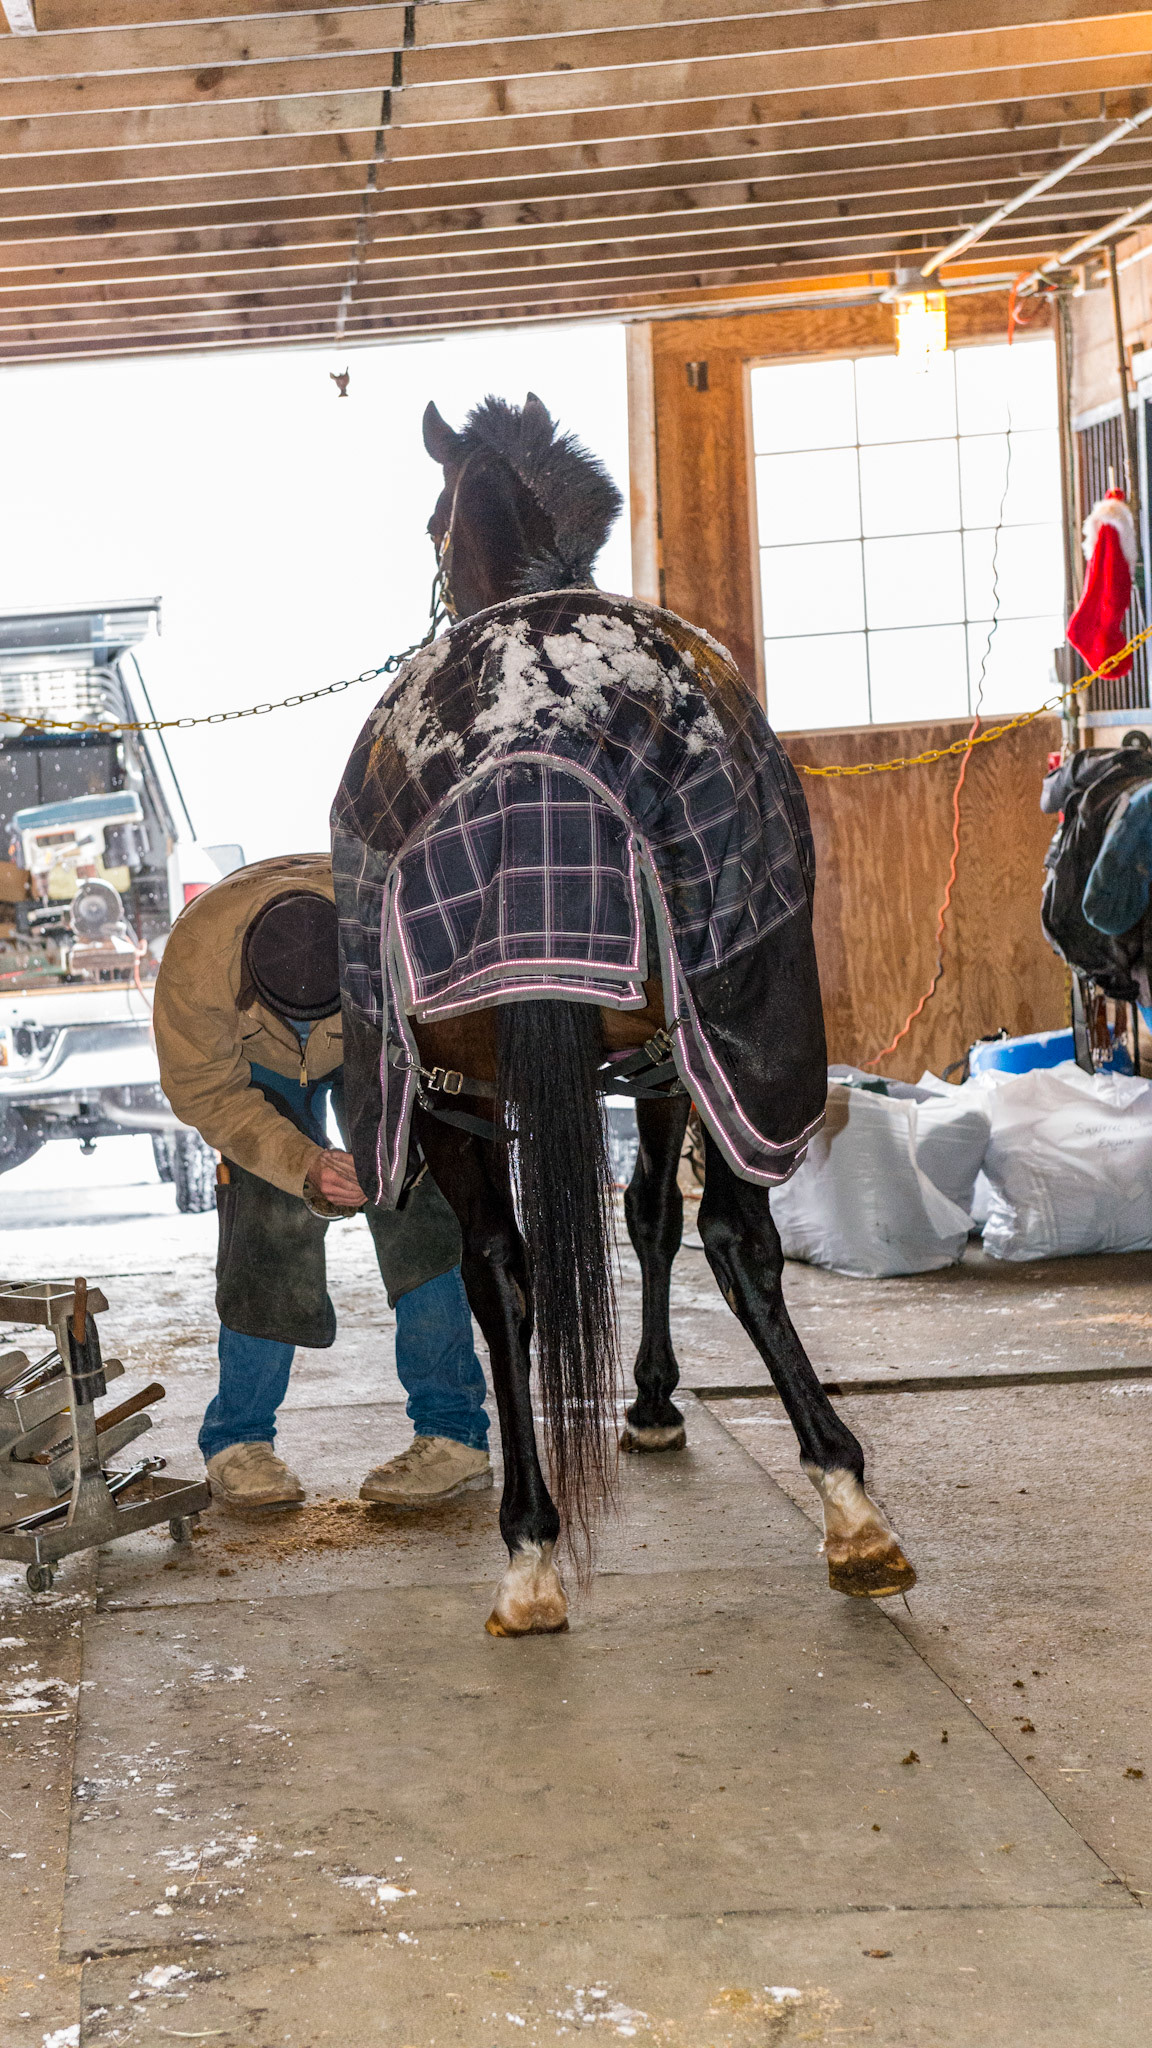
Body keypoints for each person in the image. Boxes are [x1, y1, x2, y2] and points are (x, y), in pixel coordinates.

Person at [153, 853, 491, 1511]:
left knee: (415, 1203)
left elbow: (441, 1045)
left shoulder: (398, 931)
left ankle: (455, 1436)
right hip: (257, 1066)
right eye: (295, 1014)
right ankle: (238, 1440)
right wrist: (301, 1163)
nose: (307, 1029)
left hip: (375, 1043)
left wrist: (385, 1149)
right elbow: (201, 1089)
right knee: (268, 1216)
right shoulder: (196, 964)